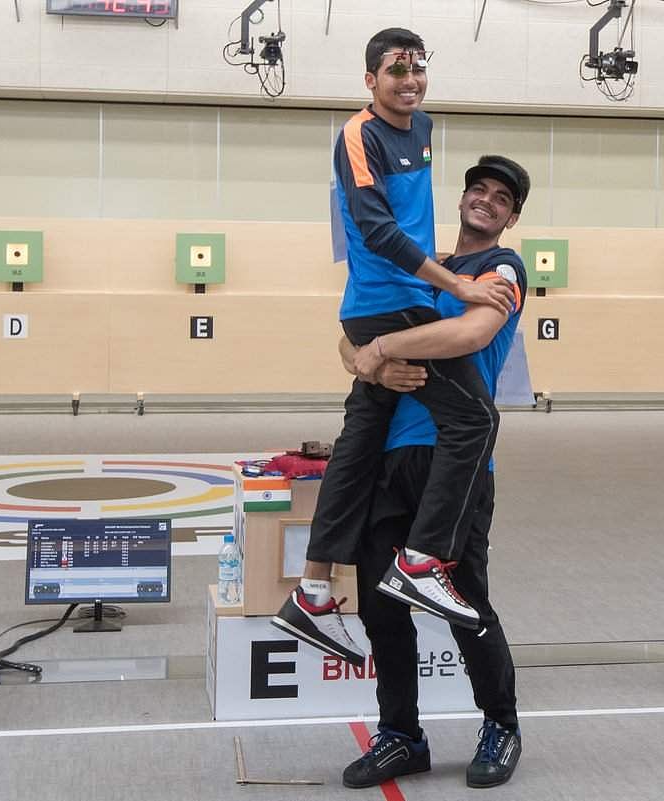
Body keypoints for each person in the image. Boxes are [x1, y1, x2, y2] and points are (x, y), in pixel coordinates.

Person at [272, 28, 516, 661]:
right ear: (370, 80)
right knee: (475, 418)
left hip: (392, 302)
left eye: (417, 68)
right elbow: (378, 230)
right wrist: (452, 283)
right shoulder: (359, 134)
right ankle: (422, 559)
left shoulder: (424, 128)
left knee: (359, 441)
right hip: (389, 300)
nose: (409, 81)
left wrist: (373, 358)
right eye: (396, 70)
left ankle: (312, 588)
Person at [341, 155, 530, 790]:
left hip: (456, 461)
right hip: (390, 458)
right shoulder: (425, 268)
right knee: (381, 606)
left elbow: (469, 335)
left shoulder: (501, 269)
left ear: (510, 218)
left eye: (501, 198)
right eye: (479, 189)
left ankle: (500, 725)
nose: (486, 200)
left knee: (463, 602)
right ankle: (400, 736)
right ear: (461, 198)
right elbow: (348, 337)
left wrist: (384, 349)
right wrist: (368, 360)